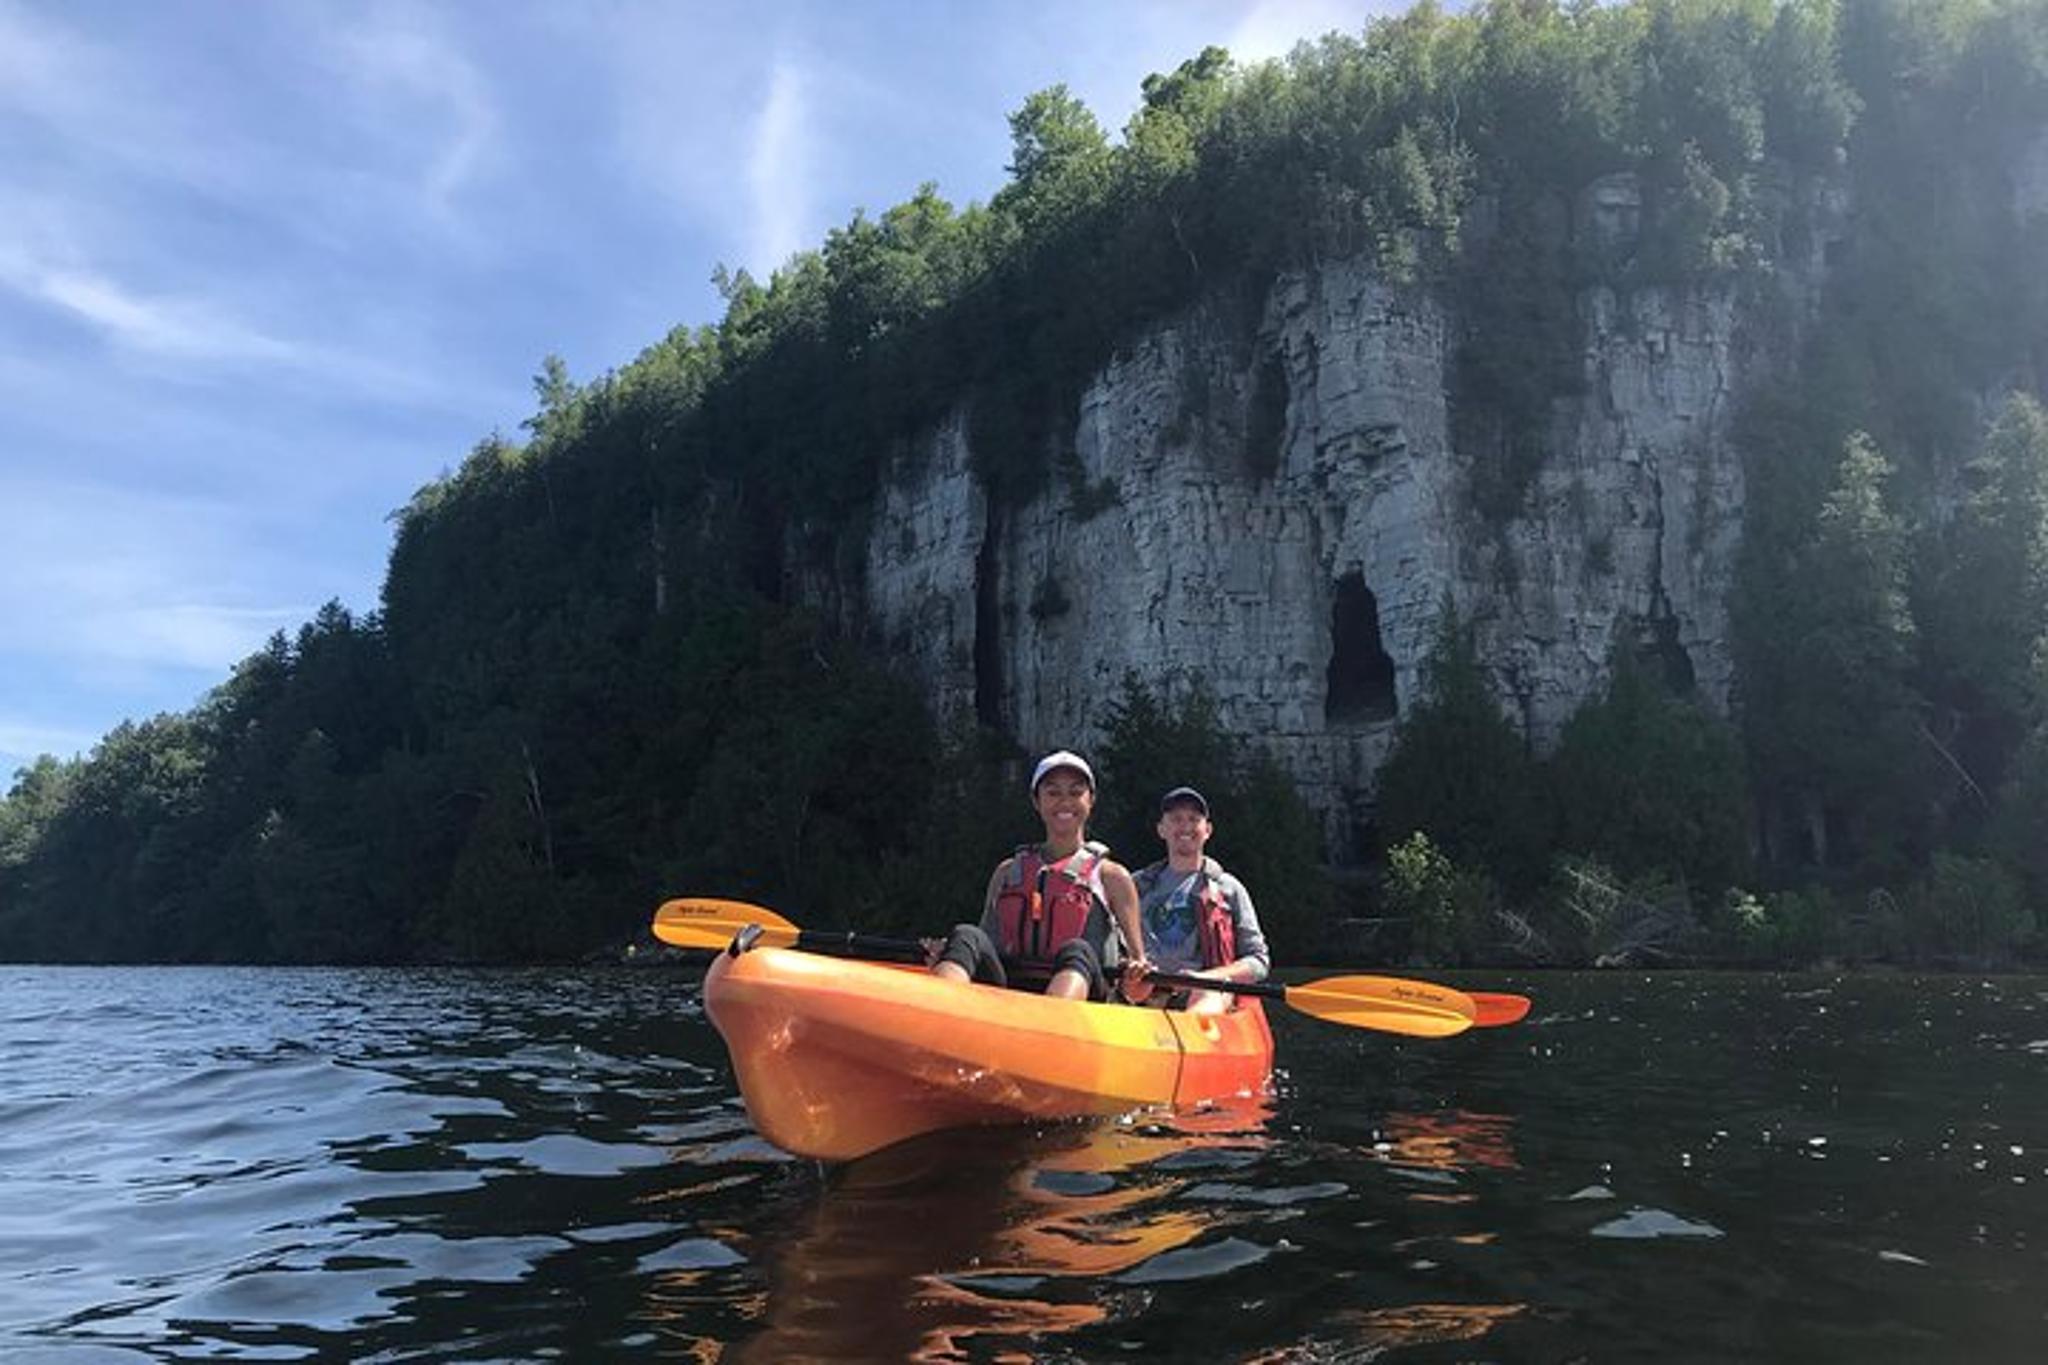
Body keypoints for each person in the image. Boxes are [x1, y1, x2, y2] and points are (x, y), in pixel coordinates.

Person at [930, 751, 1150, 1001]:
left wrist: (1136, 973)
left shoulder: (1112, 876)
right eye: (1053, 793)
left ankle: (1051, 1017)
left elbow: (1138, 971)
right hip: (1009, 989)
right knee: (966, 934)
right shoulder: (1007, 872)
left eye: (1076, 792)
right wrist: (952, 952)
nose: (1065, 802)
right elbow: (984, 943)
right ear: (1037, 801)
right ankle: (940, 1008)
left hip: (1086, 996)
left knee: (1077, 950)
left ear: (1091, 800)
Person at [1123, 786, 1270, 1013]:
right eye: (1176, 819)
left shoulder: (1229, 888)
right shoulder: (1134, 886)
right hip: (1144, 992)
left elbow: (1259, 961)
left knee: (1207, 992)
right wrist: (1133, 972)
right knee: (1133, 990)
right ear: (1161, 829)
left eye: (1194, 819)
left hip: (1204, 991)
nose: (1185, 826)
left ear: (1207, 830)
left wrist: (1204, 978)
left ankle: (1190, 1035)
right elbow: (1114, 948)